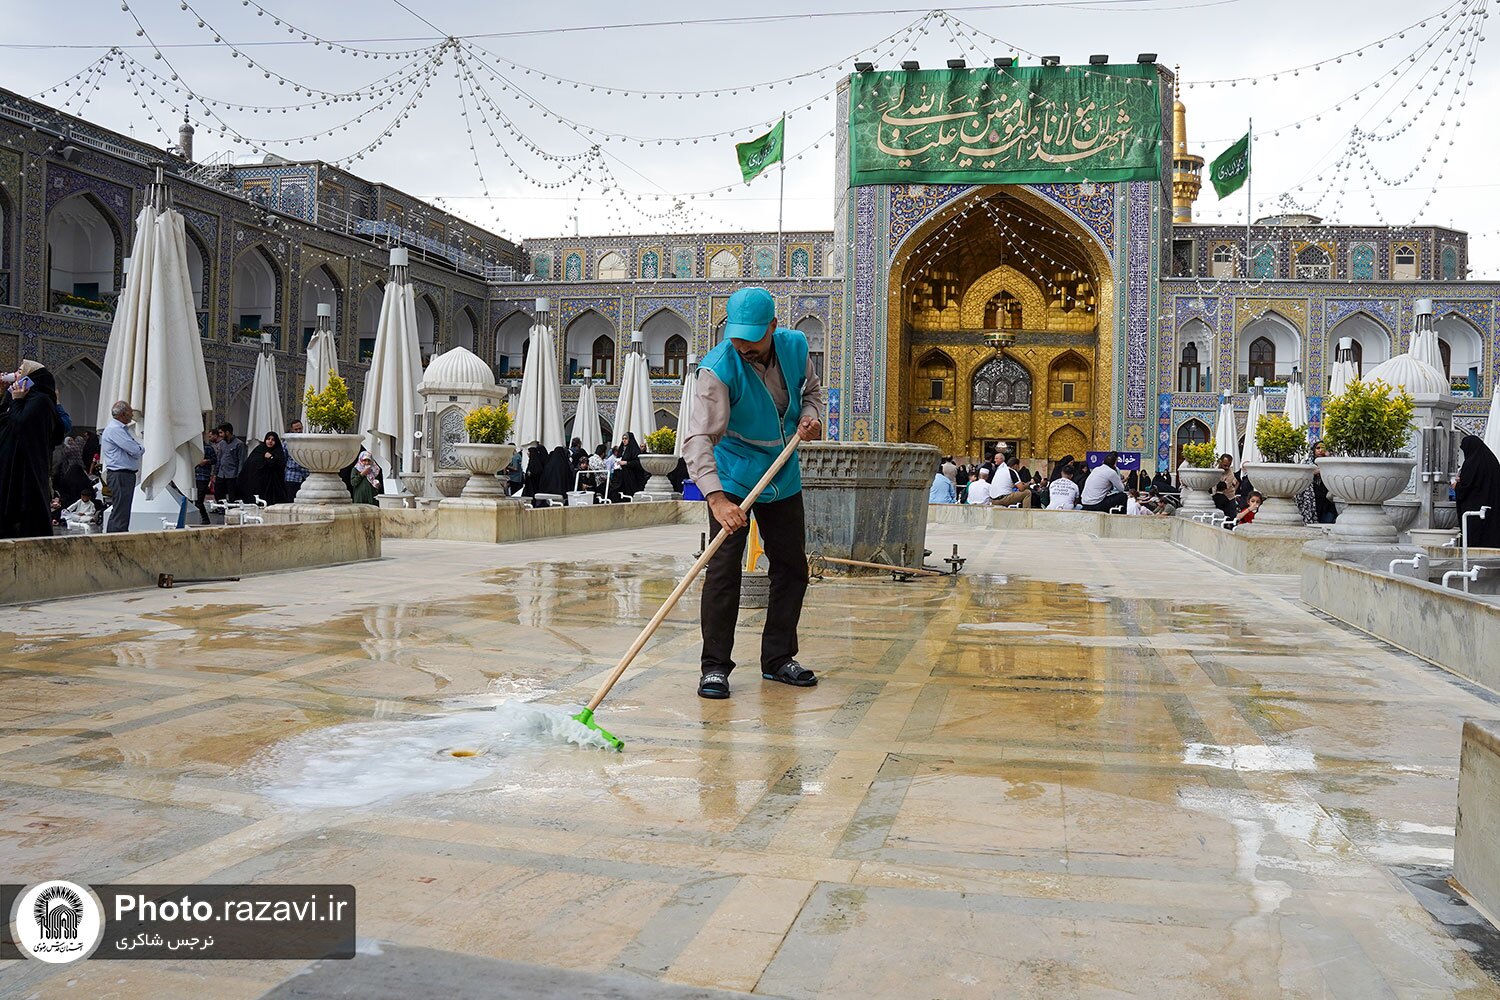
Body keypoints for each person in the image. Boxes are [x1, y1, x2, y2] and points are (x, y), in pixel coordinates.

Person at [683, 285, 823, 700]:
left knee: (791, 567)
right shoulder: (717, 369)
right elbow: (698, 438)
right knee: (723, 569)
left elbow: (811, 394)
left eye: (752, 339)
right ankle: (714, 667)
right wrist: (716, 499)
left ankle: (778, 658)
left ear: (773, 327)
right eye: (737, 338)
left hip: (782, 472)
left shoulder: (796, 347)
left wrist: (810, 418)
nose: (744, 347)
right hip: (733, 476)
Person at [0, 361, 65, 538]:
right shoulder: (21, 398)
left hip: (25, 467)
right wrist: (6, 395)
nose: (15, 374)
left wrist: (17, 401)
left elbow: (21, 424)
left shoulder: (41, 401)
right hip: (10, 465)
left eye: (20, 371)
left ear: (31, 377)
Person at [100, 399, 144, 533]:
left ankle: (116, 536)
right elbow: (136, 449)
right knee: (121, 511)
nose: (132, 415)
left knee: (122, 510)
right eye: (130, 412)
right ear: (123, 414)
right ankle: (115, 538)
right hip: (120, 474)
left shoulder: (121, 429)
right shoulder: (115, 430)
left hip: (123, 475)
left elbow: (136, 448)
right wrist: (139, 448)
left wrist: (138, 448)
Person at [1455, 435, 1500, 547]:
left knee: (1475, 536)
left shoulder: (1471, 463)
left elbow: (1465, 487)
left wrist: (1456, 485)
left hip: (1475, 508)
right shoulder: (1492, 461)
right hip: (1492, 506)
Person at [241, 431, 287, 505]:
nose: (270, 441)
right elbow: (252, 463)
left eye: (273, 440)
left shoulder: (278, 451)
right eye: (268, 439)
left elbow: (280, 464)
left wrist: (271, 457)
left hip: (274, 485)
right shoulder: (259, 449)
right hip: (259, 483)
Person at [214, 423, 246, 502]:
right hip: (221, 474)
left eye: (221, 433)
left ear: (227, 432)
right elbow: (219, 459)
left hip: (232, 475)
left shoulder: (239, 444)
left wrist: (239, 476)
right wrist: (215, 473)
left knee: (232, 497)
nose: (220, 435)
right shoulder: (222, 443)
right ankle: (220, 507)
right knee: (218, 494)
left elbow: (241, 460)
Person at [195, 428, 219, 523]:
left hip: (203, 476)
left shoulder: (208, 448)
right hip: (194, 476)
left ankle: (205, 518)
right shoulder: (192, 448)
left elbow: (215, 460)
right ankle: (201, 517)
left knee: (199, 500)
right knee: (194, 499)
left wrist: (206, 461)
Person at [283, 420, 309, 502]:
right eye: (296, 429)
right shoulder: (287, 443)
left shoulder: (308, 442)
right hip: (292, 476)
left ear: (302, 428)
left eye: (300, 429)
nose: (298, 431)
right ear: (292, 429)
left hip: (306, 476)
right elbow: (284, 458)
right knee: (292, 500)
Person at [615, 432, 647, 497]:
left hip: (631, 475)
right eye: (623, 439)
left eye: (626, 439)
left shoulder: (634, 449)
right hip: (621, 474)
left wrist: (626, 463)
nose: (624, 440)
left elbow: (637, 462)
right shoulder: (621, 449)